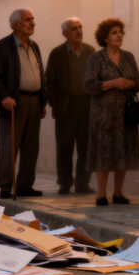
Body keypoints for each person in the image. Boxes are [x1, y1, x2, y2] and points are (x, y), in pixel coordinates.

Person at [0, 8, 47, 199]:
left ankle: (24, 185)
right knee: (9, 147)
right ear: (16, 25)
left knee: (31, 147)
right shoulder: (3, 47)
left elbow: (40, 75)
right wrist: (4, 96)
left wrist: (42, 101)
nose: (33, 22)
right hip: (13, 103)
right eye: (28, 20)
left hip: (34, 101)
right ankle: (4, 186)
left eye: (33, 19)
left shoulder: (34, 46)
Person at [84, 18, 139, 206]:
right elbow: (89, 85)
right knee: (103, 153)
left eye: (121, 32)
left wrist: (131, 83)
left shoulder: (129, 57)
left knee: (122, 152)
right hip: (103, 115)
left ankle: (118, 193)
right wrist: (112, 83)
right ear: (105, 37)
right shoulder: (96, 58)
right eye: (114, 33)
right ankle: (101, 194)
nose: (119, 36)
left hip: (124, 114)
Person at [46, 17, 96, 194]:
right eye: (74, 28)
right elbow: (49, 82)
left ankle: (83, 183)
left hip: (87, 105)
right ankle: (65, 183)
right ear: (65, 33)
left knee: (86, 147)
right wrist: (55, 103)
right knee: (65, 146)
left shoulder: (90, 51)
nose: (79, 31)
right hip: (66, 107)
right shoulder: (57, 54)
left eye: (80, 27)